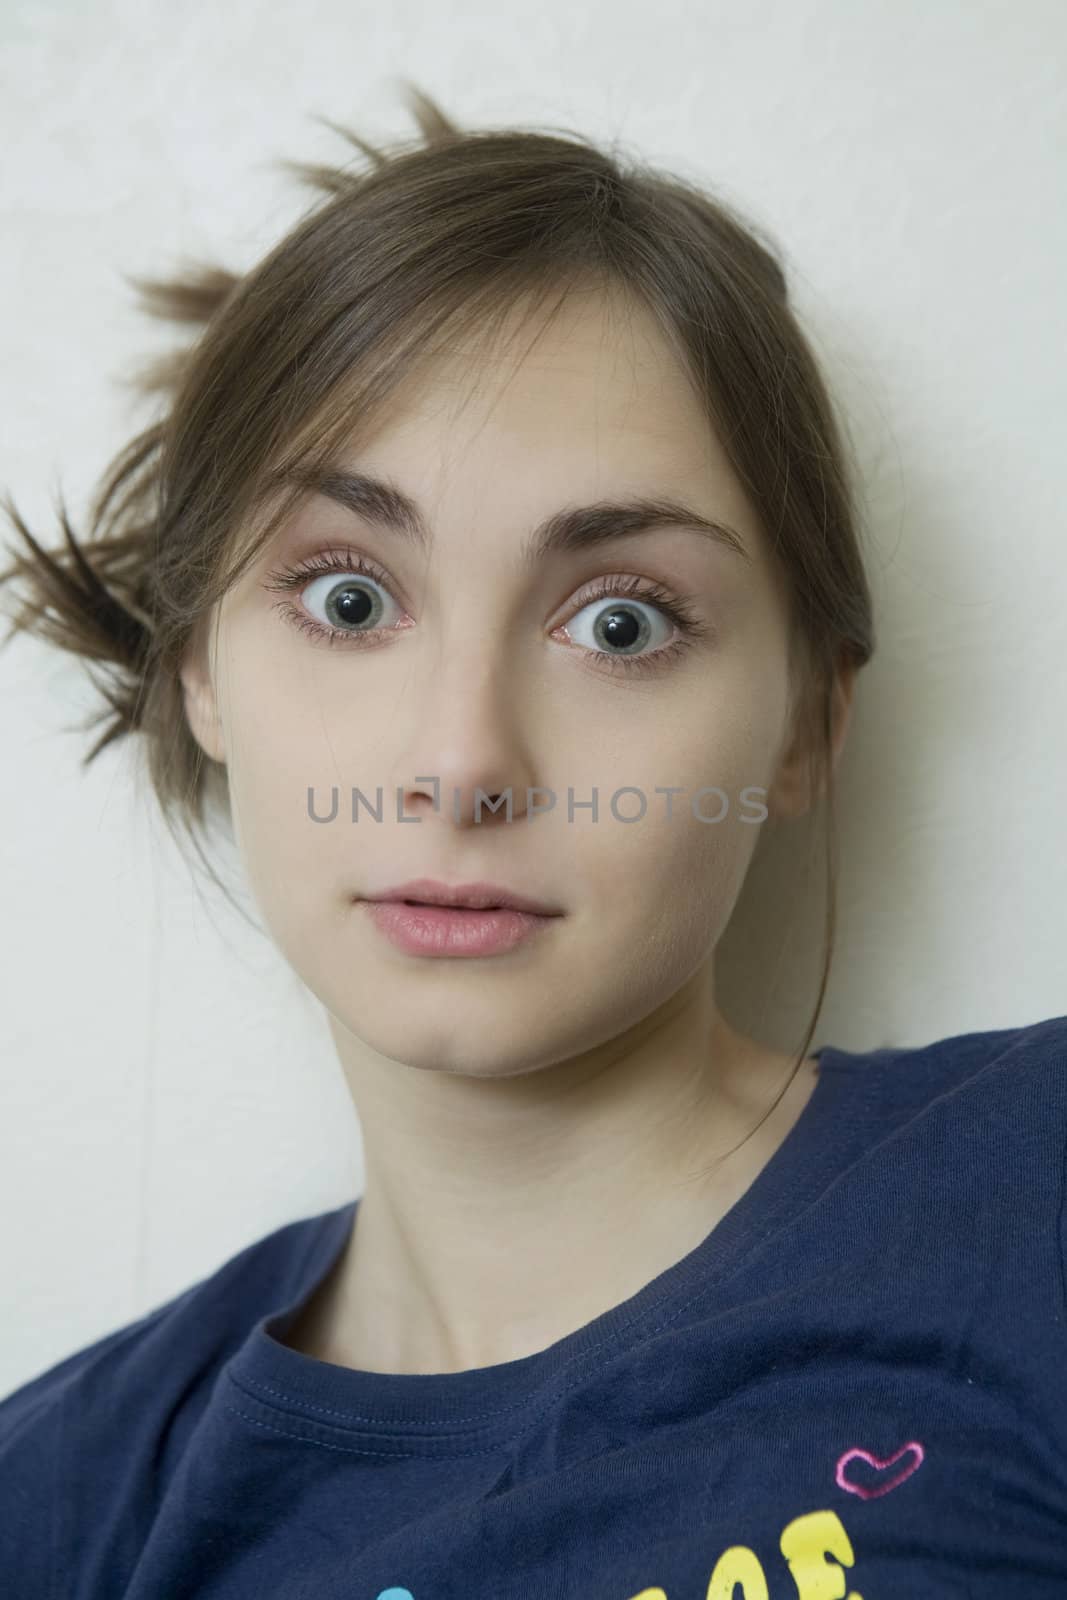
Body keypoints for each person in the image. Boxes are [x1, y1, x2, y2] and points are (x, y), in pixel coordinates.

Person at [1, 82, 1065, 1599]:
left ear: (804, 727)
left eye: (619, 622)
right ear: (201, 673)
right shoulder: (58, 1510)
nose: (460, 763)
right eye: (349, 599)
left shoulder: (1040, 1192)